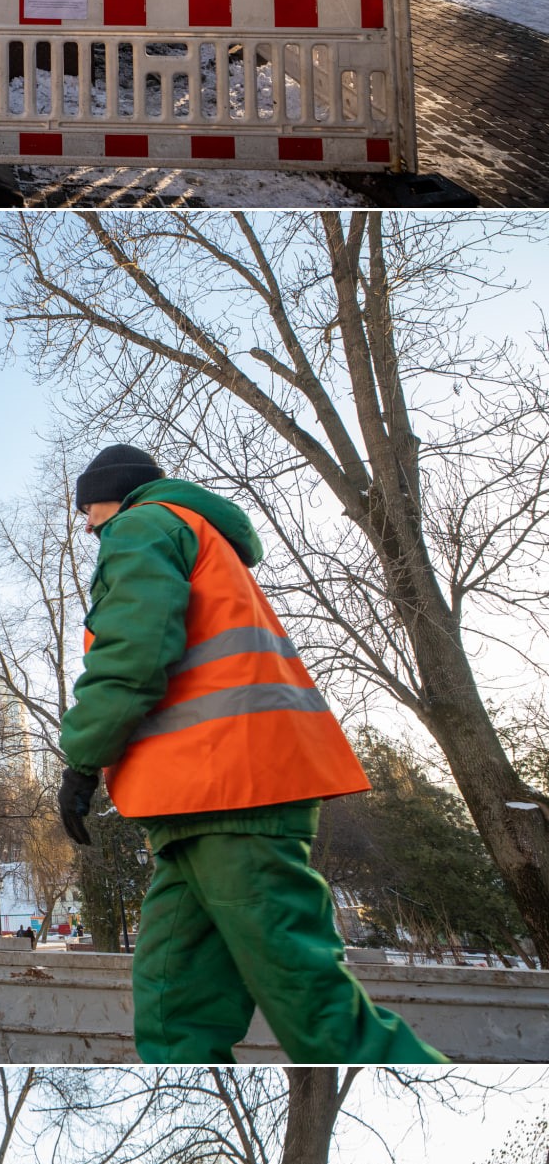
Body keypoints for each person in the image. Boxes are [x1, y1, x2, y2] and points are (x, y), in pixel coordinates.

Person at [56, 443, 448, 1064]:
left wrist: (82, 757)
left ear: (113, 494)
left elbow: (132, 648)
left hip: (229, 787)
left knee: (315, 1007)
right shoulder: (196, 535)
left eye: (85, 508)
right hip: (202, 801)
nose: (84, 524)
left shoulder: (141, 525)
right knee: (173, 1010)